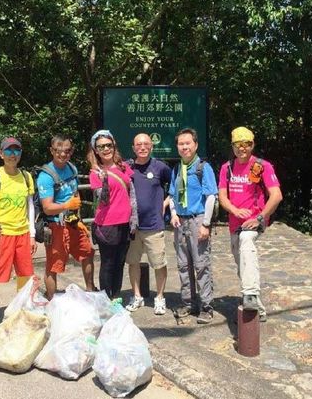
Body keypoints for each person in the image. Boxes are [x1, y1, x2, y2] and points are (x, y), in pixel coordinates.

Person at [218, 127, 282, 322]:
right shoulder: (226, 167)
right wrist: (234, 210)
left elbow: (276, 195)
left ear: (252, 145)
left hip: (255, 222)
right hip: (234, 223)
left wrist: (260, 218)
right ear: (233, 146)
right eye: (238, 144)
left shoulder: (262, 166)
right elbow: (222, 196)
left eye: (246, 144)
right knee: (242, 266)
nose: (242, 148)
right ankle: (258, 308)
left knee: (246, 241)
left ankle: (251, 294)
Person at [0, 137, 37, 340]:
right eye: (9, 151)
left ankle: (21, 314)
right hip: (1, 236)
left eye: (17, 151)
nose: (13, 155)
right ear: (1, 154)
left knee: (25, 276)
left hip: (22, 234)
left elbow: (30, 207)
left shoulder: (27, 177)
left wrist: (32, 235)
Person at [36, 135, 96, 300]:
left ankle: (91, 291)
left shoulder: (71, 168)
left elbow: (75, 192)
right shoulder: (46, 176)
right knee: (54, 264)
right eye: (58, 151)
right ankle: (51, 300)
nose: (63, 154)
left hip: (74, 222)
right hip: (56, 225)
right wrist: (66, 206)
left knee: (88, 252)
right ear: (52, 151)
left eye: (67, 151)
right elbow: (47, 208)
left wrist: (78, 217)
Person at [168, 128, 218, 324]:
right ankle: (188, 303)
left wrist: (206, 224)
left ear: (195, 145)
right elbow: (172, 195)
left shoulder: (203, 167)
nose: (184, 147)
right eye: (181, 144)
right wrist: (173, 213)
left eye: (188, 143)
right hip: (180, 221)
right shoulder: (177, 169)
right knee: (183, 265)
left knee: (201, 265)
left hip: (197, 220)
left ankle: (206, 306)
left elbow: (211, 197)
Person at [125, 133, 171, 315]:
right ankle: (137, 296)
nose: (142, 147)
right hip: (133, 227)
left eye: (146, 144)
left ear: (151, 146)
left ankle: (160, 297)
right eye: (139, 144)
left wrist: (165, 203)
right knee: (133, 262)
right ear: (133, 147)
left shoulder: (160, 167)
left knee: (159, 263)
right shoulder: (127, 167)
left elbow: (175, 187)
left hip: (154, 225)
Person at [88, 130, 137, 299]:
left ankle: (116, 297)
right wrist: (104, 180)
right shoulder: (95, 173)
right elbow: (103, 199)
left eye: (108, 145)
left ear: (113, 146)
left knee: (120, 263)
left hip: (125, 223)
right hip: (106, 225)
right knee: (108, 264)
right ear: (96, 150)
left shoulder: (124, 167)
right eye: (101, 146)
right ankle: (105, 299)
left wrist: (134, 218)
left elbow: (132, 194)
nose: (106, 149)